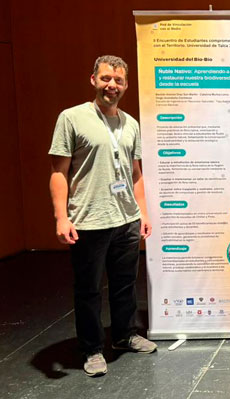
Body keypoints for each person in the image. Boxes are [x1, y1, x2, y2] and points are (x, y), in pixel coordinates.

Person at [49, 55, 157, 377]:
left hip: (126, 219)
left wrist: (142, 212)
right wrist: (61, 217)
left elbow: (136, 173)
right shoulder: (72, 118)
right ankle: (92, 348)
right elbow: (58, 172)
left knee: (125, 284)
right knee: (89, 290)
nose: (112, 85)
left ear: (126, 85)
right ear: (93, 80)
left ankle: (124, 336)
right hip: (89, 220)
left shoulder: (131, 124)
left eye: (119, 80)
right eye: (106, 78)